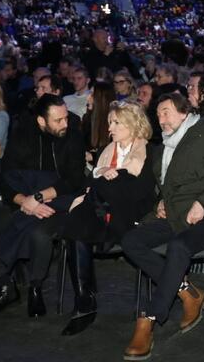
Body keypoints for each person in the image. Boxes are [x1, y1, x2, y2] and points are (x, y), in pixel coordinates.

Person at [121, 93, 204, 360]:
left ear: (184, 111)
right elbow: (167, 185)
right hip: (176, 213)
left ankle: (150, 319)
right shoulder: (165, 145)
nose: (160, 119)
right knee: (131, 241)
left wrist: (203, 203)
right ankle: (188, 292)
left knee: (179, 246)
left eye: (166, 112)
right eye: (158, 114)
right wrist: (160, 202)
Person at [0, 94, 86, 318]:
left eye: (66, 117)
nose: (65, 123)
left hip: (59, 202)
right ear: (41, 121)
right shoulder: (22, 135)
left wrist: (39, 198)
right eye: (58, 120)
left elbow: (73, 180)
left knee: (39, 233)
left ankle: (35, 288)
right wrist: (25, 201)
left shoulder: (73, 135)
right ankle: (6, 285)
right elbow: (6, 178)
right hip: (23, 201)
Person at [58, 100, 156, 336]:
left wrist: (110, 179)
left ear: (132, 125)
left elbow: (140, 193)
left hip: (127, 215)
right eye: (109, 122)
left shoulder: (148, 150)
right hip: (99, 211)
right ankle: (84, 300)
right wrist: (103, 179)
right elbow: (90, 183)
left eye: (115, 123)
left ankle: (85, 303)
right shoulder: (107, 151)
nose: (109, 128)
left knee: (80, 218)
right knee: (76, 223)